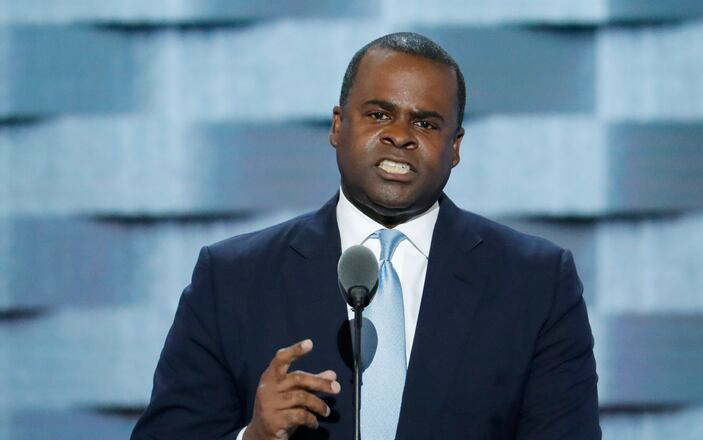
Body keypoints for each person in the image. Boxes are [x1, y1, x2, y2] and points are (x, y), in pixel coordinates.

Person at [132, 32, 600, 440]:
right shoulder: (232, 279)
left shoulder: (536, 283)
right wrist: (252, 438)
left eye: (426, 122)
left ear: (455, 146)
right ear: (338, 126)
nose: (400, 136)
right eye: (379, 115)